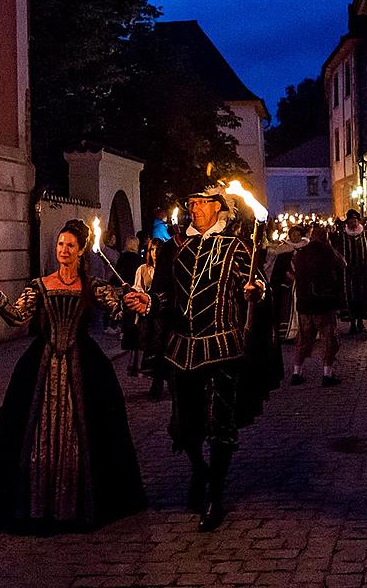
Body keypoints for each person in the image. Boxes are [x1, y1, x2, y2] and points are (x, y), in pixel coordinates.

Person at [0, 219, 145, 534]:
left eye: (70, 245)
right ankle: (37, 505)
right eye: (60, 244)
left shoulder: (92, 286)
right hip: (41, 364)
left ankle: (79, 503)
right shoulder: (40, 285)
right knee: (30, 430)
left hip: (83, 364)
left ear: (81, 250)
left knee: (90, 428)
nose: (64, 250)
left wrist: (128, 298)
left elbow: (119, 314)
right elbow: (17, 316)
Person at [124, 190, 266, 533]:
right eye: (192, 204)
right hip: (181, 349)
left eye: (202, 203)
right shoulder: (175, 248)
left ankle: (215, 495)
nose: (195, 208)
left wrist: (256, 291)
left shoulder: (236, 247)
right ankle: (200, 470)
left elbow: (257, 285)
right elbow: (164, 295)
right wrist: (148, 303)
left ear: (219, 208)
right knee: (184, 427)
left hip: (221, 348)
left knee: (219, 424)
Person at [290, 226, 344, 386]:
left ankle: (296, 372)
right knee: (328, 338)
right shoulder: (327, 252)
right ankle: (327, 374)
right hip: (323, 302)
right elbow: (343, 264)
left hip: (304, 303)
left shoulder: (300, 253)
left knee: (304, 338)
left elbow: (295, 271)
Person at [333, 209, 367, 334]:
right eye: (351, 220)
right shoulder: (342, 236)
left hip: (363, 272)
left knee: (362, 297)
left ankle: (361, 322)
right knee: (350, 298)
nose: (353, 223)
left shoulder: (365, 235)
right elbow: (337, 252)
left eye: (355, 220)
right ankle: (352, 323)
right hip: (348, 273)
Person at [134, 238, 167, 400]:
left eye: (158, 250)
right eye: (152, 250)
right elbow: (138, 287)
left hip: (163, 316)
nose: (155, 253)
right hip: (149, 316)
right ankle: (156, 381)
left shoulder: (166, 269)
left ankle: (160, 382)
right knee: (152, 348)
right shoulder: (143, 269)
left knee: (163, 349)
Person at [269, 225, 307, 341]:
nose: (296, 237)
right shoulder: (284, 249)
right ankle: (289, 333)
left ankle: (304, 332)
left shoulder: (306, 248)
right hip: (287, 286)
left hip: (302, 284)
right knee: (287, 308)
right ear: (290, 236)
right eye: (293, 235)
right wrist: (287, 275)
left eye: (298, 235)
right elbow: (279, 269)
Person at [116, 237, 143, 375]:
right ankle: (135, 361)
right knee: (134, 327)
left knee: (131, 327)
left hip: (128, 294)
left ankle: (133, 361)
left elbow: (117, 274)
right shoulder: (137, 260)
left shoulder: (123, 258)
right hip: (134, 294)